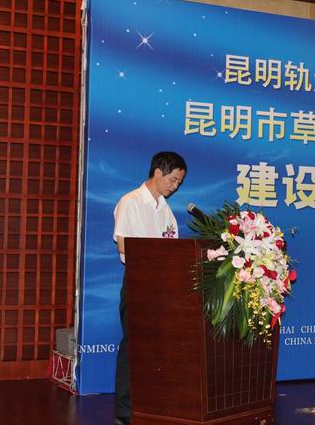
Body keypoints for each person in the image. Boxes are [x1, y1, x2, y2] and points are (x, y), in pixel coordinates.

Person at [112, 151, 187, 425]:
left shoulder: (165, 210)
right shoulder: (130, 202)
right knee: (134, 346)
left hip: (163, 287)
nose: (175, 186)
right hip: (138, 283)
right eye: (173, 180)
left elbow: (172, 247)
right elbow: (122, 243)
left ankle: (154, 405)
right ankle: (125, 410)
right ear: (158, 172)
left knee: (159, 348)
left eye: (179, 183)